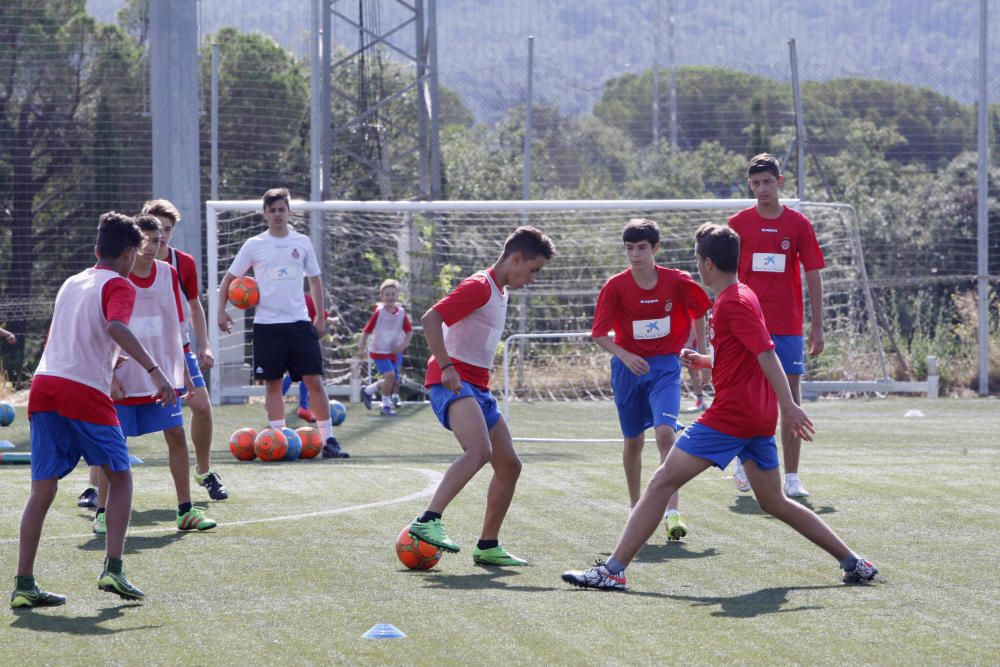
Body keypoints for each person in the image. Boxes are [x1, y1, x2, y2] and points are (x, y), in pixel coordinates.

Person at [561, 223, 877, 591]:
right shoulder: (742, 294)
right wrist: (707, 362)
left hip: (732, 416)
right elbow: (746, 354)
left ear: (707, 263)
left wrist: (790, 405)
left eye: (697, 258)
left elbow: (765, 353)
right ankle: (855, 562)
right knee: (774, 501)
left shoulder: (733, 303)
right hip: (755, 416)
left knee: (662, 481)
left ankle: (612, 571)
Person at [11, 212, 175, 607]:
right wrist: (156, 372)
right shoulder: (120, 284)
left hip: (45, 385)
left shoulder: (72, 281)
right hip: (81, 390)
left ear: (95, 249)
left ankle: (23, 585)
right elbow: (116, 327)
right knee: (121, 478)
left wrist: (111, 361)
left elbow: (64, 336)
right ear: (129, 254)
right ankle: (113, 569)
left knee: (42, 491)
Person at [406, 226, 556, 566]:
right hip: (452, 382)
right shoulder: (479, 286)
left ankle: (487, 545)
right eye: (533, 270)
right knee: (479, 451)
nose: (533, 278)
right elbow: (432, 319)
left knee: (509, 465)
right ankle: (428, 520)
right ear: (516, 259)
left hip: (478, 388)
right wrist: (446, 367)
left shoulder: (500, 292)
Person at [92, 214, 217, 536]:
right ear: (133, 244)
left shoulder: (168, 273)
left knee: (176, 437)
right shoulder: (114, 277)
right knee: (113, 446)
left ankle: (186, 510)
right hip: (124, 377)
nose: (154, 247)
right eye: (148, 240)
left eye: (160, 240)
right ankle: (103, 513)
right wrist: (110, 376)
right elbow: (104, 330)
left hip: (161, 373)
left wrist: (185, 372)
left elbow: (175, 326)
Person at [591, 218, 710, 540]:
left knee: (664, 433)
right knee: (633, 440)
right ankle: (636, 509)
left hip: (665, 368)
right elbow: (600, 334)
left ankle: (672, 511)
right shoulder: (615, 286)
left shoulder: (677, 281)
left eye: (642, 248)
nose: (635, 255)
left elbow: (699, 311)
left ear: (655, 248)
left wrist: (700, 354)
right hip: (628, 371)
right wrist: (626, 356)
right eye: (629, 248)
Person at [216, 188, 348, 459]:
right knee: (273, 384)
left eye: (281, 209)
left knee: (313, 380)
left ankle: (329, 440)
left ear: (290, 212)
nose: (277, 214)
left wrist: (320, 316)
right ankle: (280, 439)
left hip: (299, 323)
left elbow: (315, 280)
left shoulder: (302, 242)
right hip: (267, 326)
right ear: (264, 214)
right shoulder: (254, 245)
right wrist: (221, 312)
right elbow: (228, 281)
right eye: (272, 210)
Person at [728, 153, 826, 498]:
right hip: (747, 324)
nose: (761, 189)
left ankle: (793, 477)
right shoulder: (737, 224)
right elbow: (727, 276)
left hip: (786, 324)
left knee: (790, 398)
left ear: (779, 181)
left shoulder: (798, 224)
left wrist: (818, 325)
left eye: (767, 182)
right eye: (755, 183)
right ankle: (742, 462)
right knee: (743, 395)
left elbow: (812, 273)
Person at [358, 279, 413, 416]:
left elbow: (409, 332)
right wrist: (361, 348)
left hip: (394, 351)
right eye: (387, 294)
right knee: (390, 375)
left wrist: (403, 345)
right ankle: (386, 406)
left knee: (393, 380)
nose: (390, 297)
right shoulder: (379, 312)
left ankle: (368, 391)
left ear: (397, 296)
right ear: (381, 297)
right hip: (379, 351)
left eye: (393, 294)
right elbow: (366, 331)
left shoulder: (401, 313)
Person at [281, 289, 337, 423]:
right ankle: (303, 407)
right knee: (308, 375)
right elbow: (323, 318)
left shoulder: (287, 301)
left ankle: (279, 398)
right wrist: (334, 320)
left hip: (288, 340)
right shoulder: (310, 301)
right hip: (307, 342)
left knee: (292, 374)